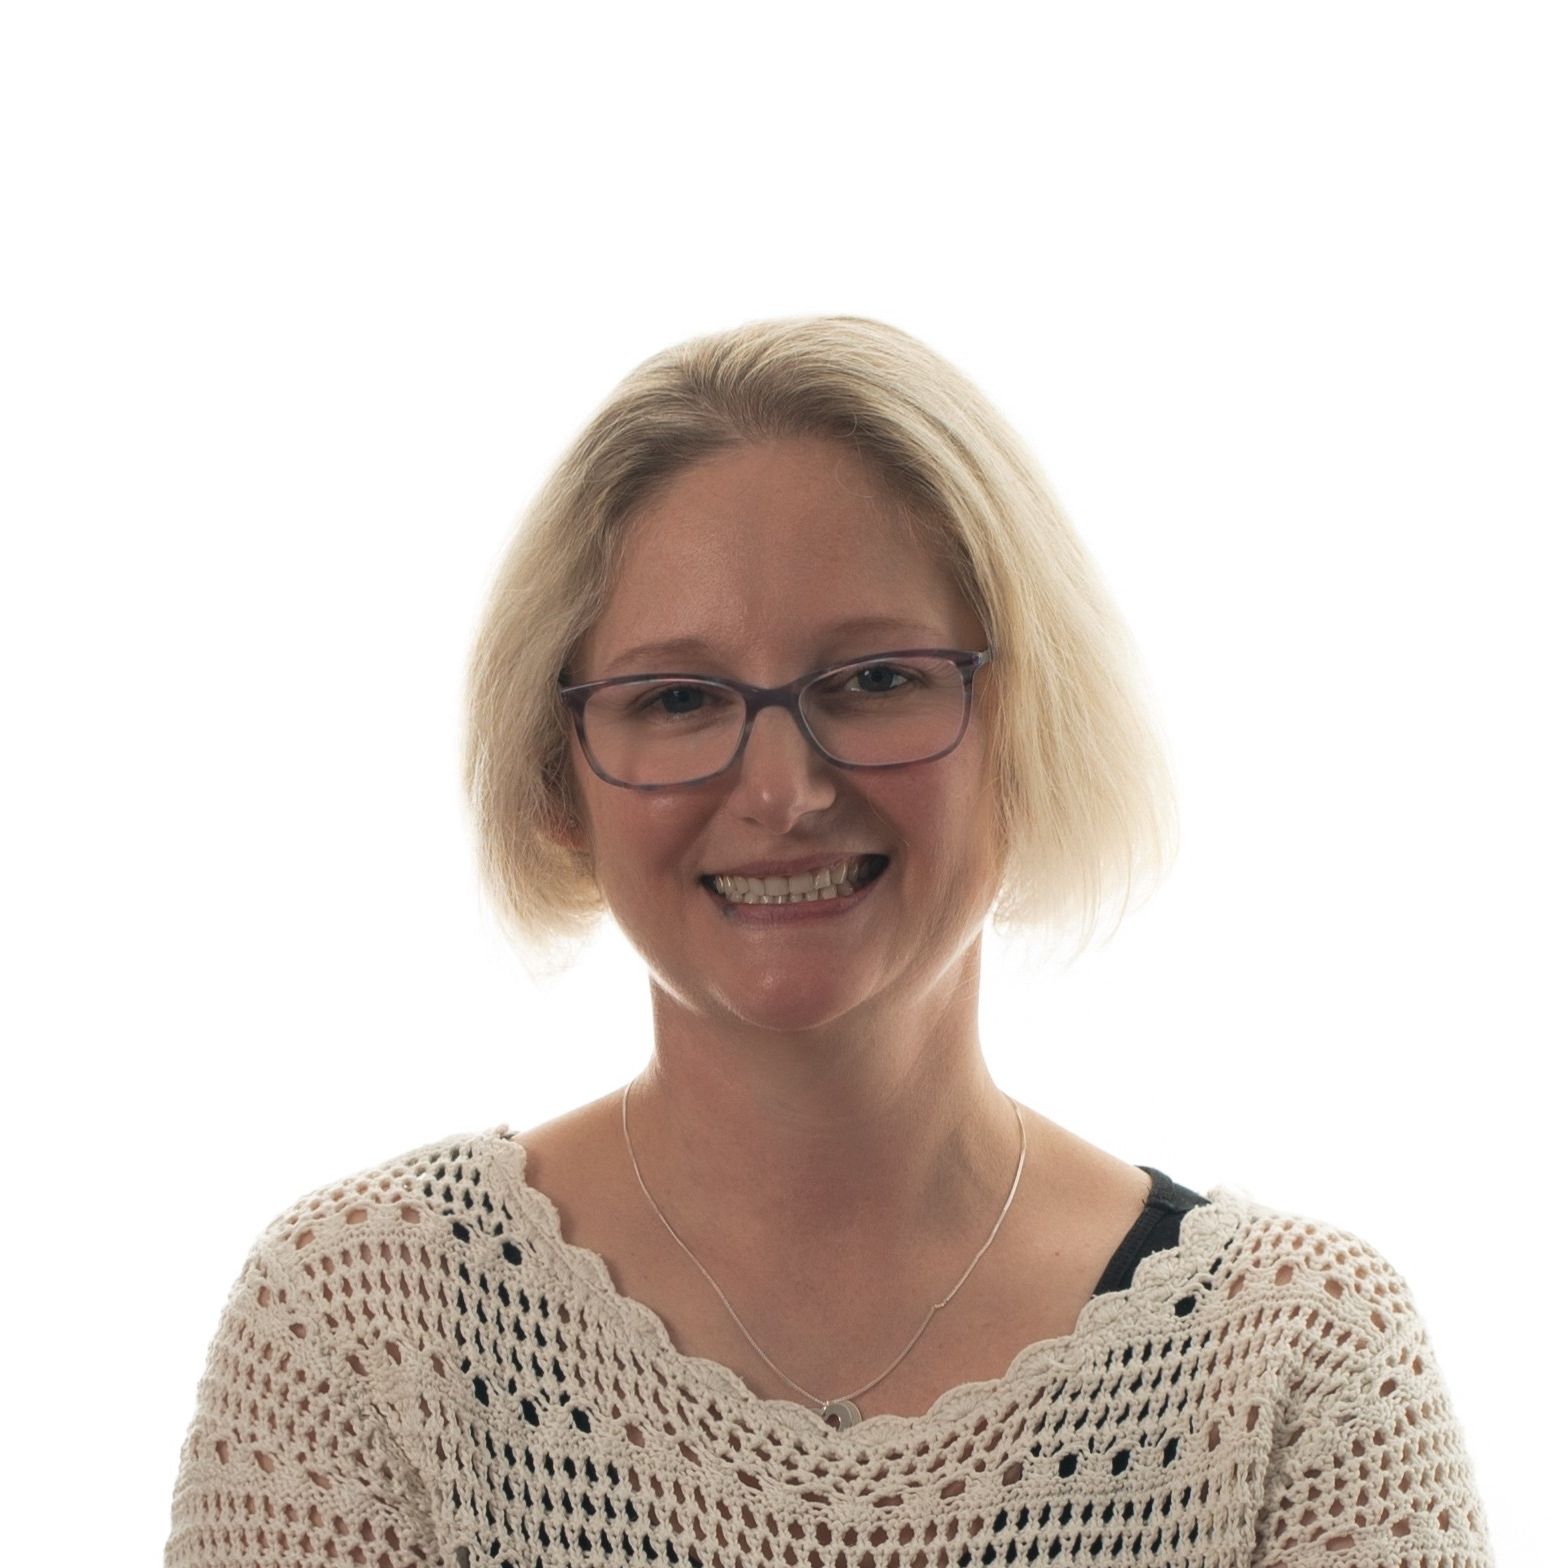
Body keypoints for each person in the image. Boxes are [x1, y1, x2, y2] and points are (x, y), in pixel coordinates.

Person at [164, 316, 1493, 1566]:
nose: (783, 791)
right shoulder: (363, 1325)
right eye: (677, 697)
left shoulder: (1298, 1361)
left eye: (875, 680)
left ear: (1028, 725)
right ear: (556, 774)